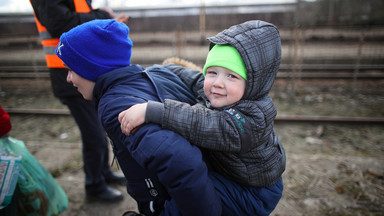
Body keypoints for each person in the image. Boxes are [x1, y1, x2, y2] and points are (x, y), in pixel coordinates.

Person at [119, 20, 286, 216]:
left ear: (253, 84)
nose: (217, 83)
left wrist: (153, 111)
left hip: (253, 191)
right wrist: (158, 70)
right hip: (233, 175)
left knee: (195, 192)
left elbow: (205, 123)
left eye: (231, 76)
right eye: (213, 72)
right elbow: (194, 77)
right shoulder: (219, 93)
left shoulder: (252, 117)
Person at [56, 19, 222, 216]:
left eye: (71, 69)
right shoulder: (155, 73)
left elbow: (179, 160)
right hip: (214, 183)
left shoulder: (114, 105)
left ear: (90, 67)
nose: (68, 78)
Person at [29, 0, 129, 202]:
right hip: (70, 76)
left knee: (99, 131)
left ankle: (103, 174)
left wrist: (100, 15)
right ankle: (94, 185)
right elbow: (59, 22)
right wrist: (103, 16)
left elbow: (78, 19)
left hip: (85, 73)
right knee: (93, 135)